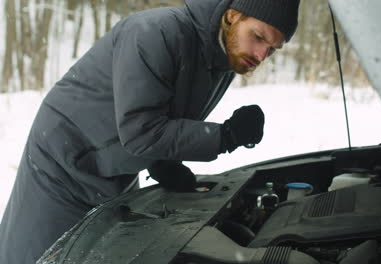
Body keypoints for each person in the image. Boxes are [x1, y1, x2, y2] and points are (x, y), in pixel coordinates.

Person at [0, 0, 300, 262]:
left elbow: (161, 111)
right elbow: (141, 131)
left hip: (116, 167)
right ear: (233, 15)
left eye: (272, 49)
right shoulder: (156, 32)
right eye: (258, 37)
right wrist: (225, 137)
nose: (261, 55)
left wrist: (165, 165)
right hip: (64, 161)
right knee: (44, 254)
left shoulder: (223, 59)